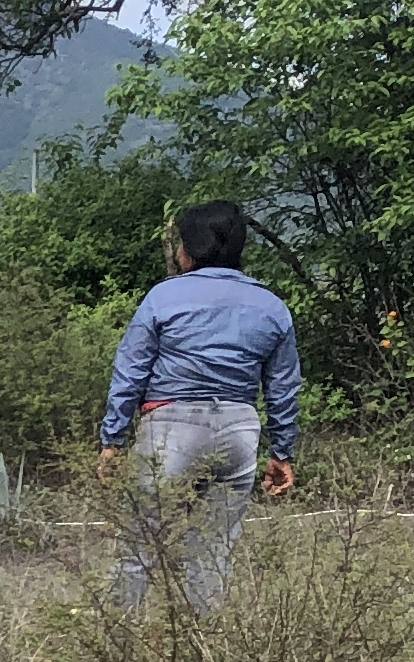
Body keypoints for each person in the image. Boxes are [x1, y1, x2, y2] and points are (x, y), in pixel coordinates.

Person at [99, 200, 302, 611]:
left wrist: (113, 440)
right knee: (211, 553)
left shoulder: (163, 297)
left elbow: (130, 372)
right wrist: (282, 453)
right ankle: (204, 651)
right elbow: (283, 388)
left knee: (139, 544)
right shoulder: (272, 306)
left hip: (170, 426)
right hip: (239, 430)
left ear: (189, 248)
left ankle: (120, 640)